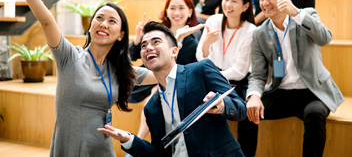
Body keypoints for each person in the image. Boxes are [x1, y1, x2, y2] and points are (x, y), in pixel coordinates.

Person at [12, 0, 156, 156]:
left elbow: (160, 74)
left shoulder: (118, 69)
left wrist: (170, 45)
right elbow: (46, 21)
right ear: (90, 26)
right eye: (99, 18)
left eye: (112, 21)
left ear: (121, 35)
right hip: (70, 149)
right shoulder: (69, 56)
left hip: (103, 149)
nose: (103, 24)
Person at [98, 21, 247, 156]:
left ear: (174, 51)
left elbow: (241, 109)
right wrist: (129, 140)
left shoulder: (201, 70)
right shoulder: (151, 107)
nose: (148, 47)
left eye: (156, 42)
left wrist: (222, 106)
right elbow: (159, 152)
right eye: (143, 45)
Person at [242, 0, 344, 157]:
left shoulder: (306, 15)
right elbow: (258, 74)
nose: (265, 3)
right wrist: (254, 96)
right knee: (247, 109)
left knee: (314, 113)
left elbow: (325, 38)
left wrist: (296, 13)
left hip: (312, 91)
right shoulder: (259, 33)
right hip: (281, 93)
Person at [127, 0, 203, 147]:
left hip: (170, 85)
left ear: (190, 11)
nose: (176, 13)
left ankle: (138, 142)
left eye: (181, 8)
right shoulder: (157, 32)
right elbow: (130, 57)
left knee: (157, 93)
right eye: (172, 8)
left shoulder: (193, 43)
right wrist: (137, 39)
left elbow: (189, 72)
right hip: (145, 81)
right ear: (167, 11)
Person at [196, 0, 256, 99]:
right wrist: (206, 45)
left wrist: (213, 77)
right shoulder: (213, 21)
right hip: (209, 77)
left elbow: (239, 71)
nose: (228, 5)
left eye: (234, 1)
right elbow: (200, 57)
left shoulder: (250, 30)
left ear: (245, 6)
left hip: (234, 83)